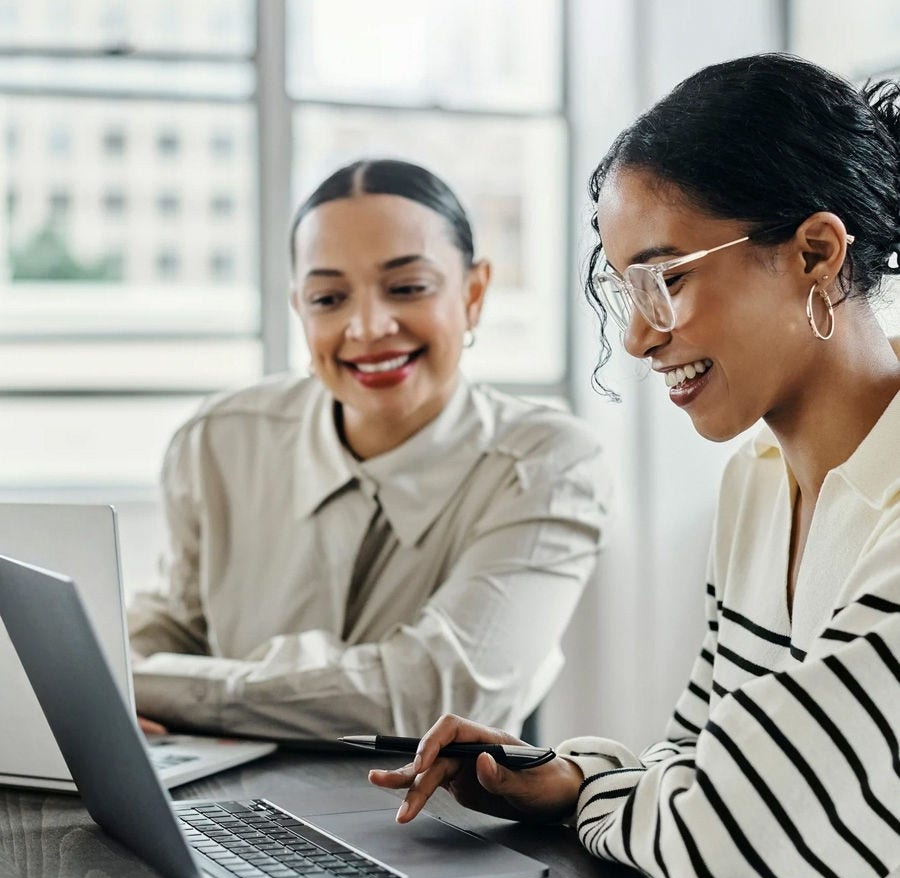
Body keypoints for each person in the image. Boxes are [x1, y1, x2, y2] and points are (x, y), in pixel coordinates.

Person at [370, 54, 900, 878]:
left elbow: (730, 849)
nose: (639, 340)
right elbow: (694, 762)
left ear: (815, 252)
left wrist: (604, 795)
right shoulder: (758, 482)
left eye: (669, 280)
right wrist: (569, 780)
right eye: (628, 291)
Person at [128, 158, 611, 742]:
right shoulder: (219, 441)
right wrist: (105, 688)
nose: (368, 326)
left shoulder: (548, 463)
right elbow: (171, 628)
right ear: (299, 310)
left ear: (474, 292)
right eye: (328, 298)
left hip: (439, 820)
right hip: (229, 807)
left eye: (407, 288)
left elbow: (437, 698)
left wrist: (153, 686)